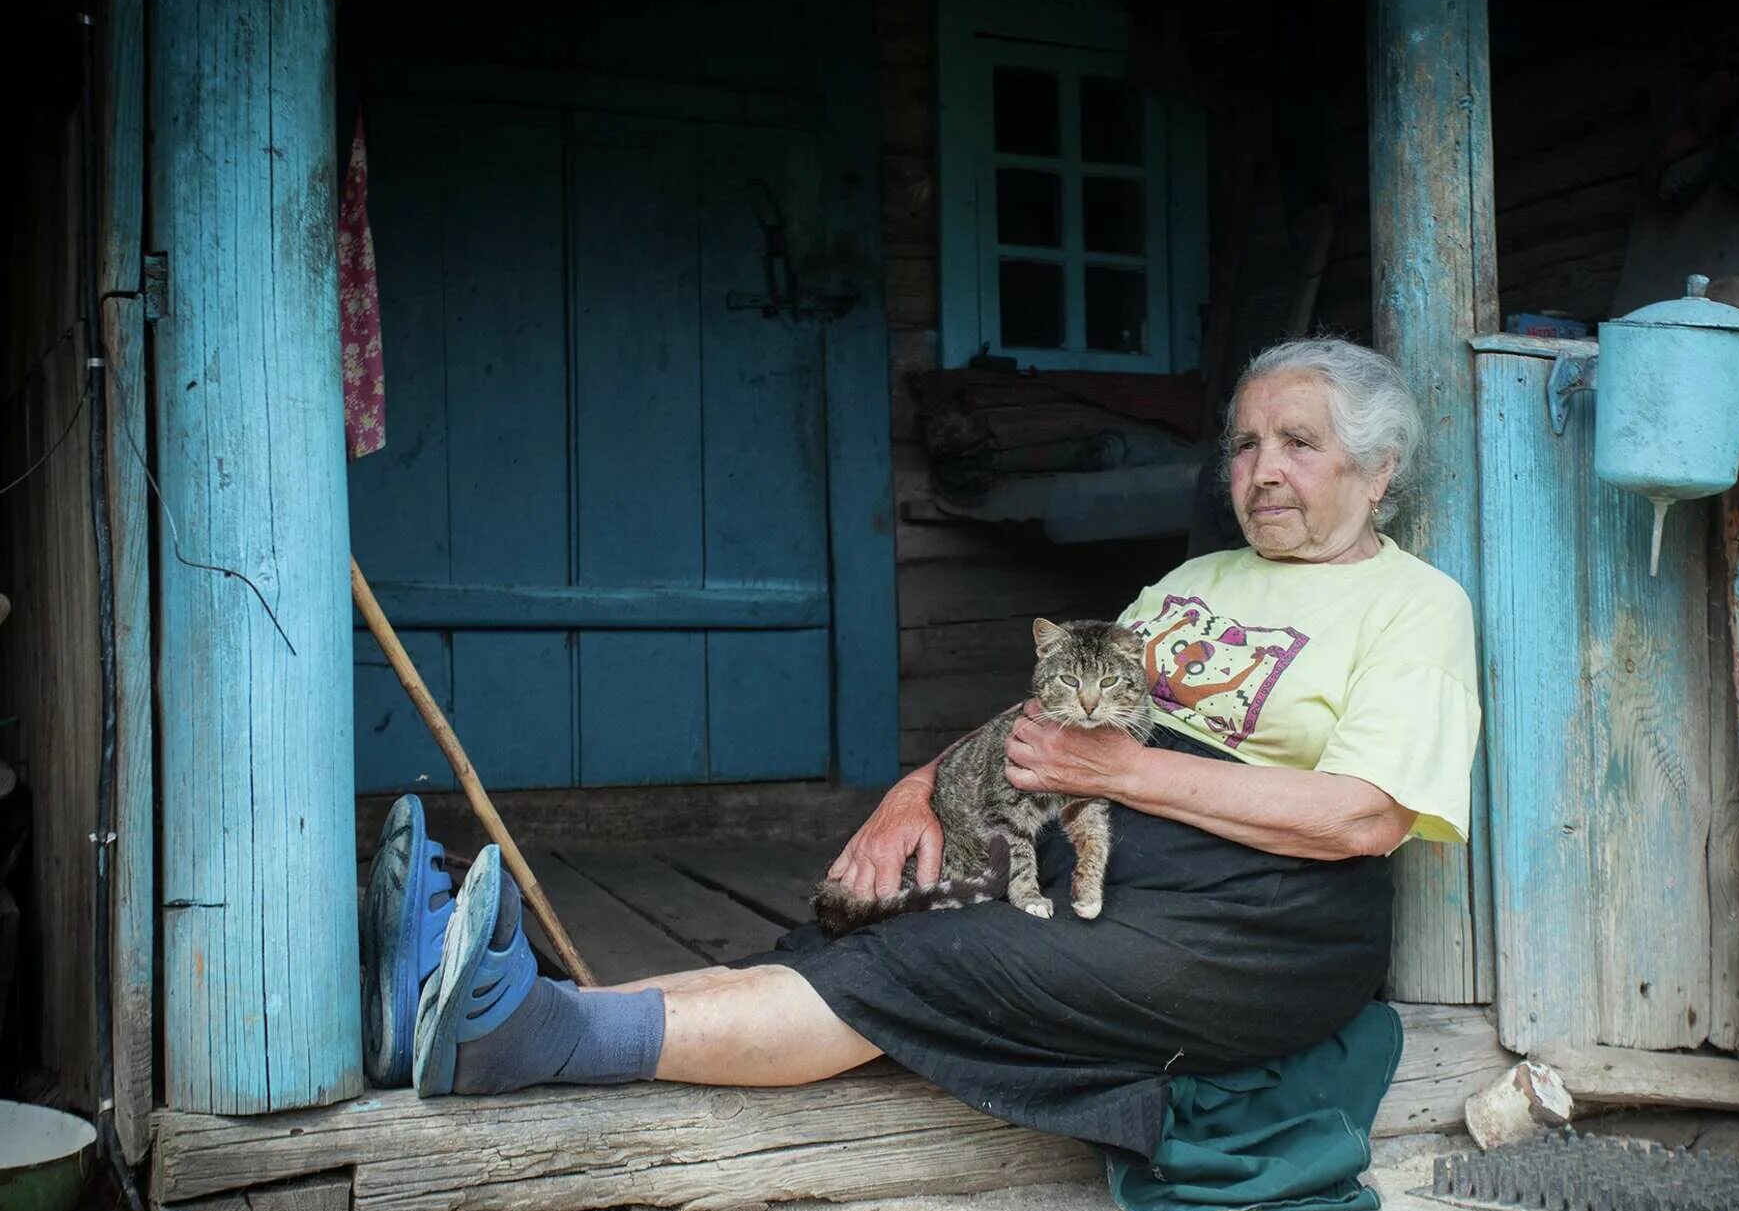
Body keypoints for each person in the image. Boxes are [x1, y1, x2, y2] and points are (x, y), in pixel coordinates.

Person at [364, 337, 1481, 1166]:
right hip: (1100, 857)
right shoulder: (1198, 580)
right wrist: (916, 791)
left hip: (1252, 927)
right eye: (1243, 444)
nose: (1259, 469)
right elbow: (1051, 712)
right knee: (854, 919)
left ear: (1376, 473)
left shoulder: (1410, 605)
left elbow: (1361, 818)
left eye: (1297, 443)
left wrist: (1121, 775)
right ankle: (478, 1007)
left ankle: (534, 1027)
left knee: (925, 960)